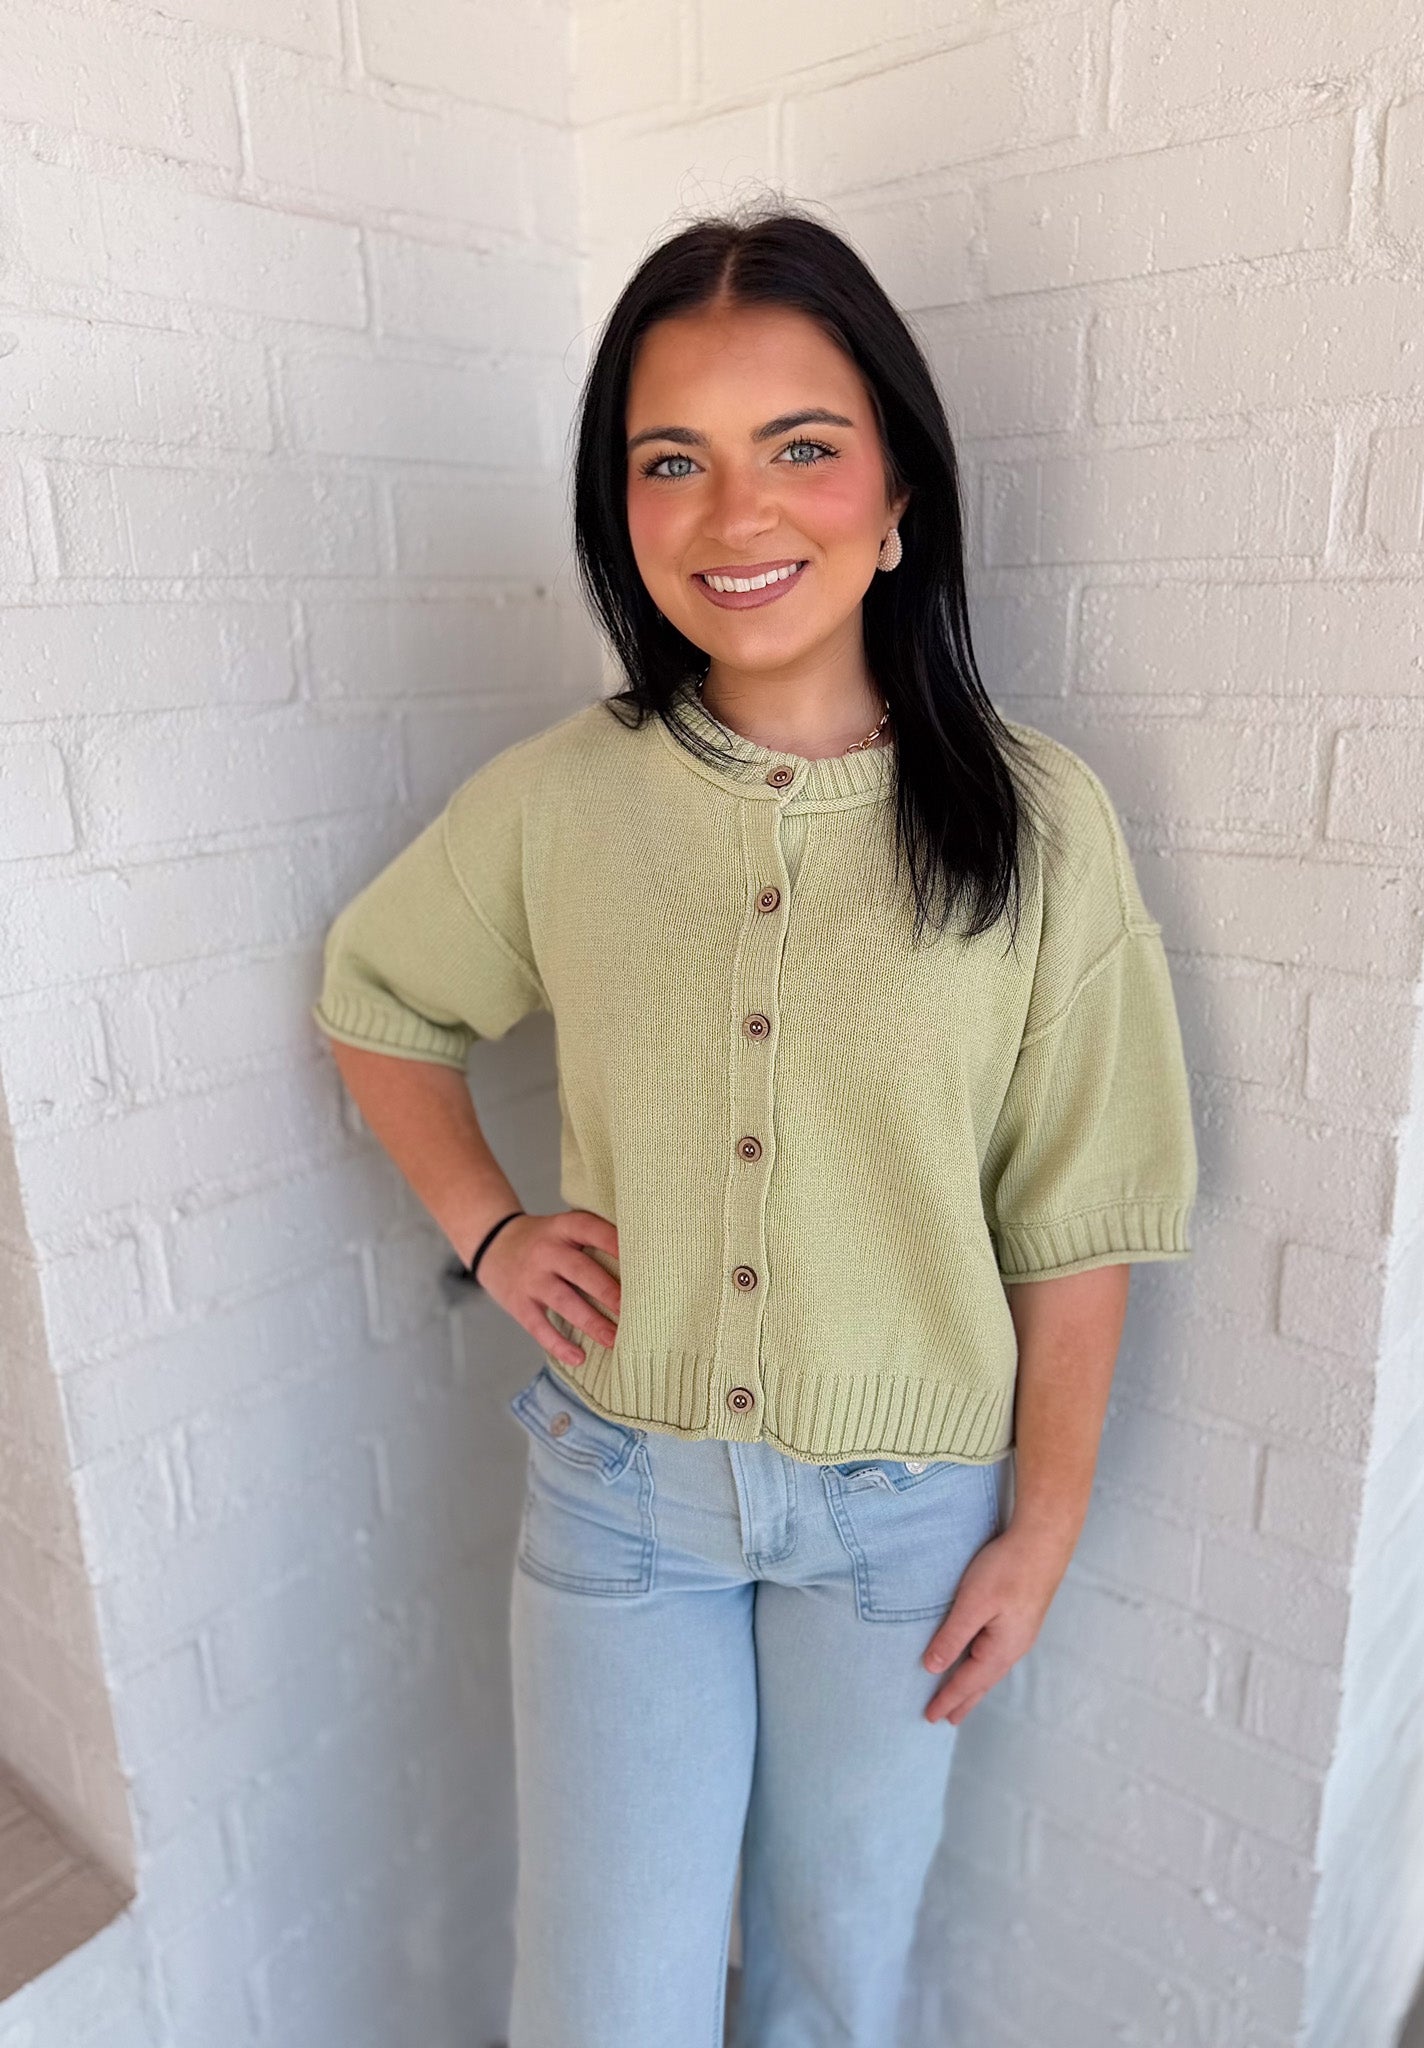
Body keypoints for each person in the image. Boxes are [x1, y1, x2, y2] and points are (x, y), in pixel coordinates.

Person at [310, 198, 1198, 2048]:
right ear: (621, 509)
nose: (735, 514)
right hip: (622, 1496)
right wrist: (490, 1226)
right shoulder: (562, 800)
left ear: (897, 494)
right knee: (602, 2002)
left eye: (800, 446)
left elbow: (1082, 1202)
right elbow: (378, 999)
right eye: (672, 461)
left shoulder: (1041, 823)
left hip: (907, 1529)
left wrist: (1039, 1524)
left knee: (832, 1990)